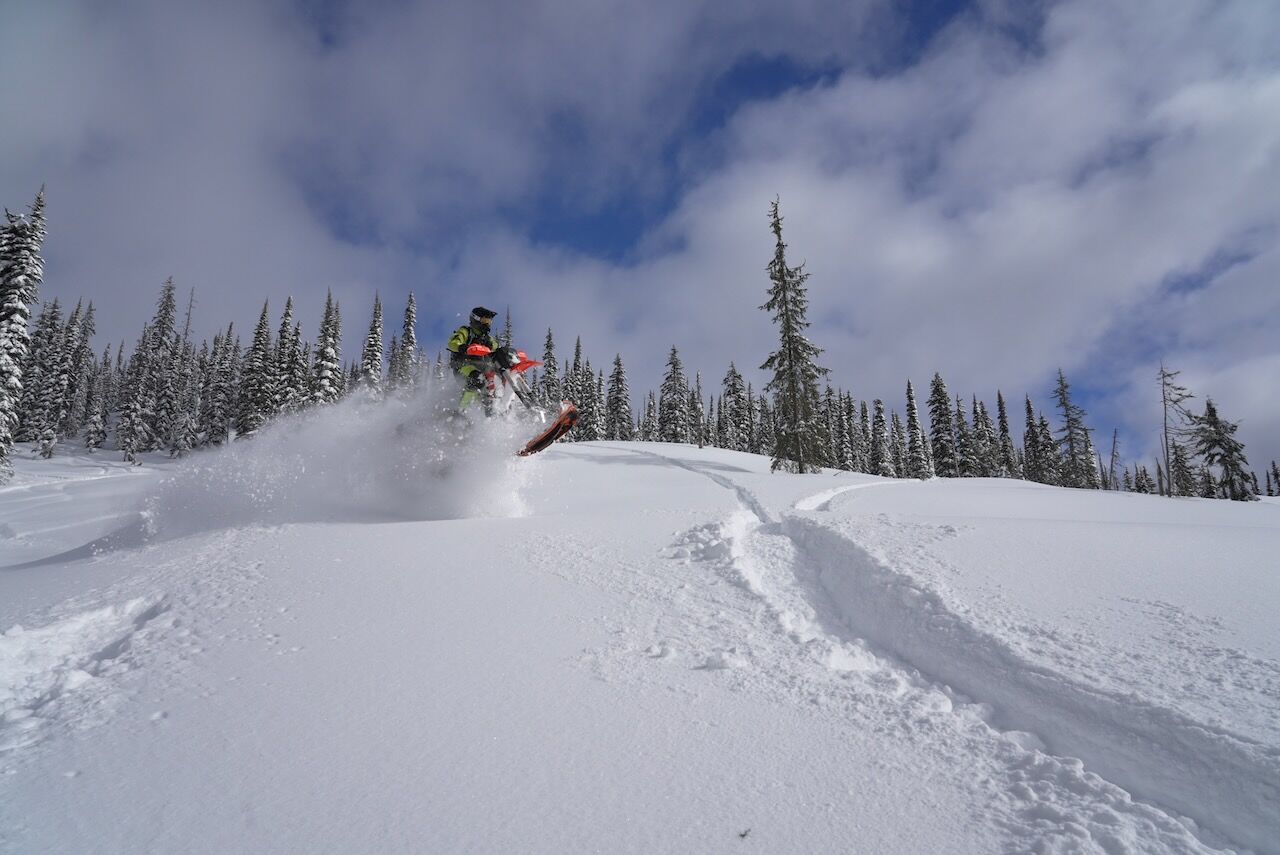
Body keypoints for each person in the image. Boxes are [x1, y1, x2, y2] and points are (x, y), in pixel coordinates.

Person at [447, 306, 501, 410]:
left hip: (482, 367)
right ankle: (461, 410)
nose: (487, 324)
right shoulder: (466, 331)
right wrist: (461, 347)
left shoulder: (487, 338)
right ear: (476, 319)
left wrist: (492, 346)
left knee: (494, 382)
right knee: (477, 379)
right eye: (485, 320)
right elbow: (452, 342)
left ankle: (493, 411)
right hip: (463, 365)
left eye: (489, 321)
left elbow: (496, 345)